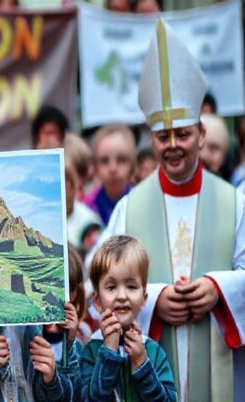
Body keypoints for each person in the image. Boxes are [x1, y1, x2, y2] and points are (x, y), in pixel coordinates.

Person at [87, 21, 245, 402]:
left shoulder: (236, 202)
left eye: (184, 135)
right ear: (152, 140)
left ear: (203, 135)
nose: (173, 146)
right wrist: (154, 300)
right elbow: (99, 279)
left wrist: (219, 290)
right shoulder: (129, 207)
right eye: (162, 137)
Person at [82, 235, 175, 401]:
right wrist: (109, 352)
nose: (122, 296)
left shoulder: (152, 351)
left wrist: (142, 364)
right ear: (97, 301)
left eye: (131, 286)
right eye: (111, 287)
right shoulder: (90, 351)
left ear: (144, 299)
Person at [84, 124, 136, 225]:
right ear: (95, 167)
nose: (113, 168)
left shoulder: (142, 203)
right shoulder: (87, 209)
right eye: (104, 161)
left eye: (121, 160)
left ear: (133, 165)